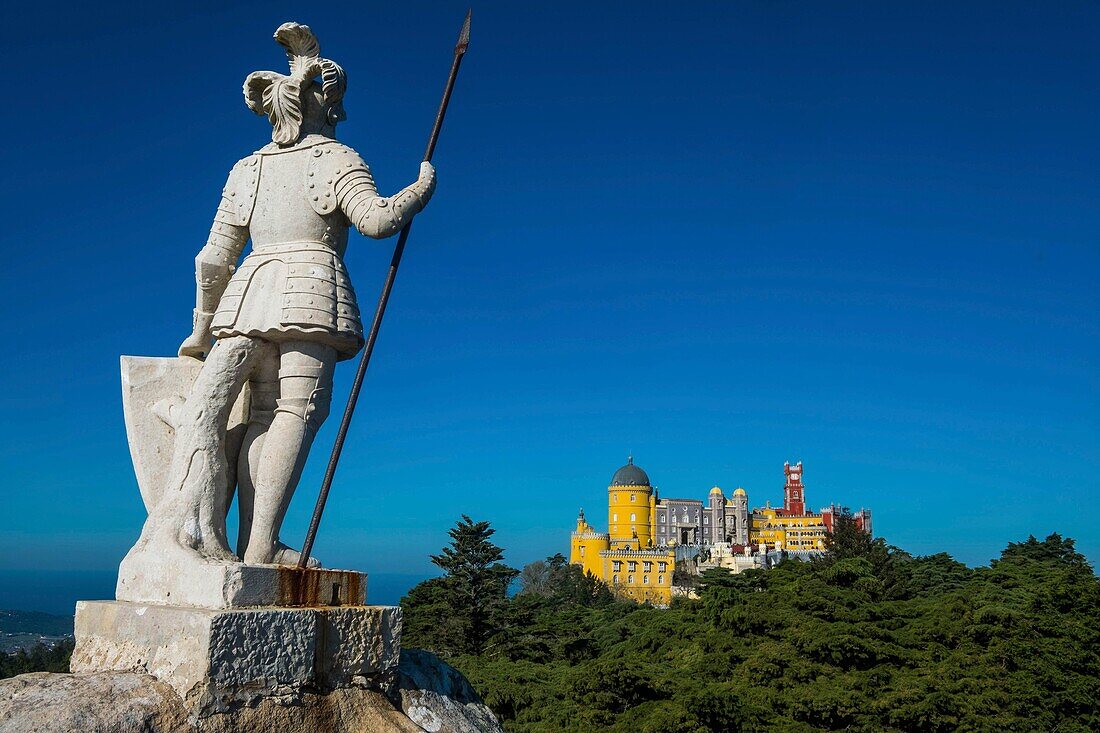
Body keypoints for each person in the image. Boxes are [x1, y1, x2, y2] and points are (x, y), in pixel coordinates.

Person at [140, 22, 435, 566]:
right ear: (325, 104)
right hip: (312, 292)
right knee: (294, 412)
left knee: (252, 418)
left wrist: (202, 328)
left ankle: (243, 542)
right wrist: (418, 191)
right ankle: (261, 545)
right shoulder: (338, 159)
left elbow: (212, 259)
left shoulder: (246, 169)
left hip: (246, 296)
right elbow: (374, 221)